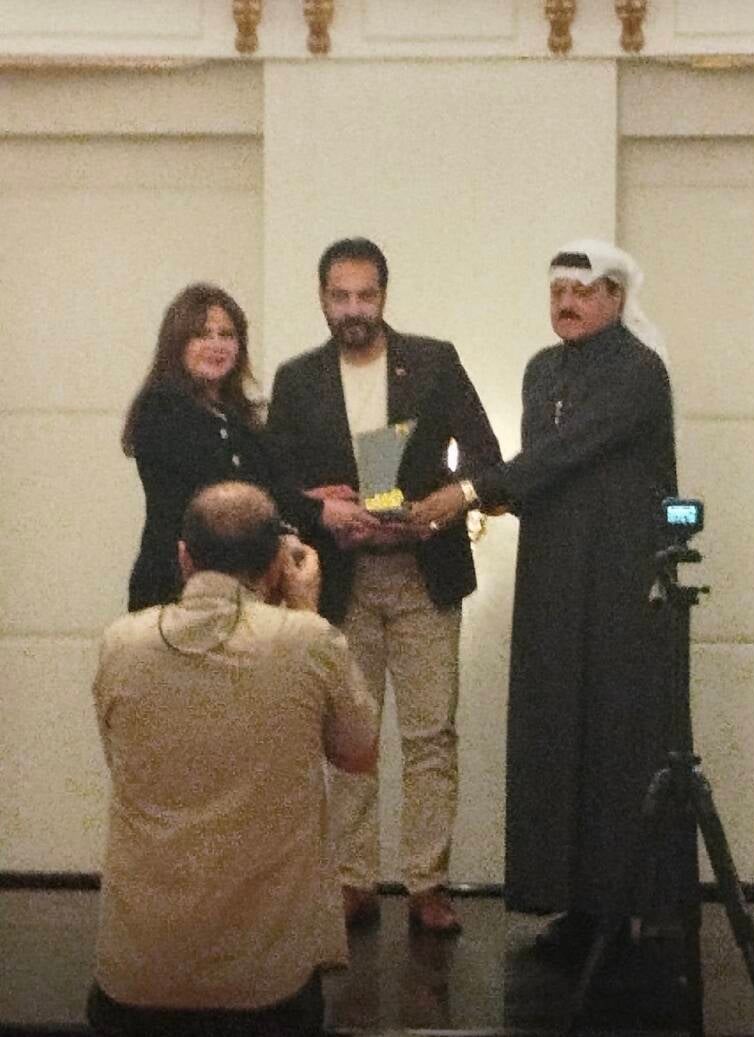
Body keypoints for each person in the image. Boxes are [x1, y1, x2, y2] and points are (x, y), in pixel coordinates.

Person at [411, 239, 679, 961]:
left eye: (583, 291)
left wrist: (473, 490)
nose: (567, 302)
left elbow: (567, 452)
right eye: (558, 290)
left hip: (620, 575)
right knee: (555, 726)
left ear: (616, 298)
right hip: (554, 571)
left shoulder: (638, 370)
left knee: (615, 734)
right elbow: (542, 472)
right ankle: (573, 902)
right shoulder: (541, 369)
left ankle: (623, 906)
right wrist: (490, 493)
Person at [267, 237, 501, 933]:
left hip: (425, 573)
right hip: (339, 578)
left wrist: (451, 499)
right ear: (322, 299)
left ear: (384, 296)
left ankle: (428, 883)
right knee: (350, 738)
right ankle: (353, 880)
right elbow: (275, 482)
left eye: (365, 295)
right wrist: (321, 509)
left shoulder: (434, 361)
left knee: (432, 734)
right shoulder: (297, 378)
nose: (353, 309)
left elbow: (487, 458)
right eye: (340, 296)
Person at [87, 481, 378, 1037]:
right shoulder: (306, 641)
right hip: (266, 986)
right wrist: (305, 611)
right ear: (276, 563)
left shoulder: (120, 643)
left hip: (135, 977)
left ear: (183, 557)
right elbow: (359, 755)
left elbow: (120, 759)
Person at [123, 282, 323, 611]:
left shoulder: (241, 417)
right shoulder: (160, 409)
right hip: (177, 586)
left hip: (246, 588)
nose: (217, 345)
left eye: (227, 335)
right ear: (177, 344)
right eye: (202, 334)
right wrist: (317, 513)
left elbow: (269, 485)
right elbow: (222, 493)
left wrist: (313, 504)